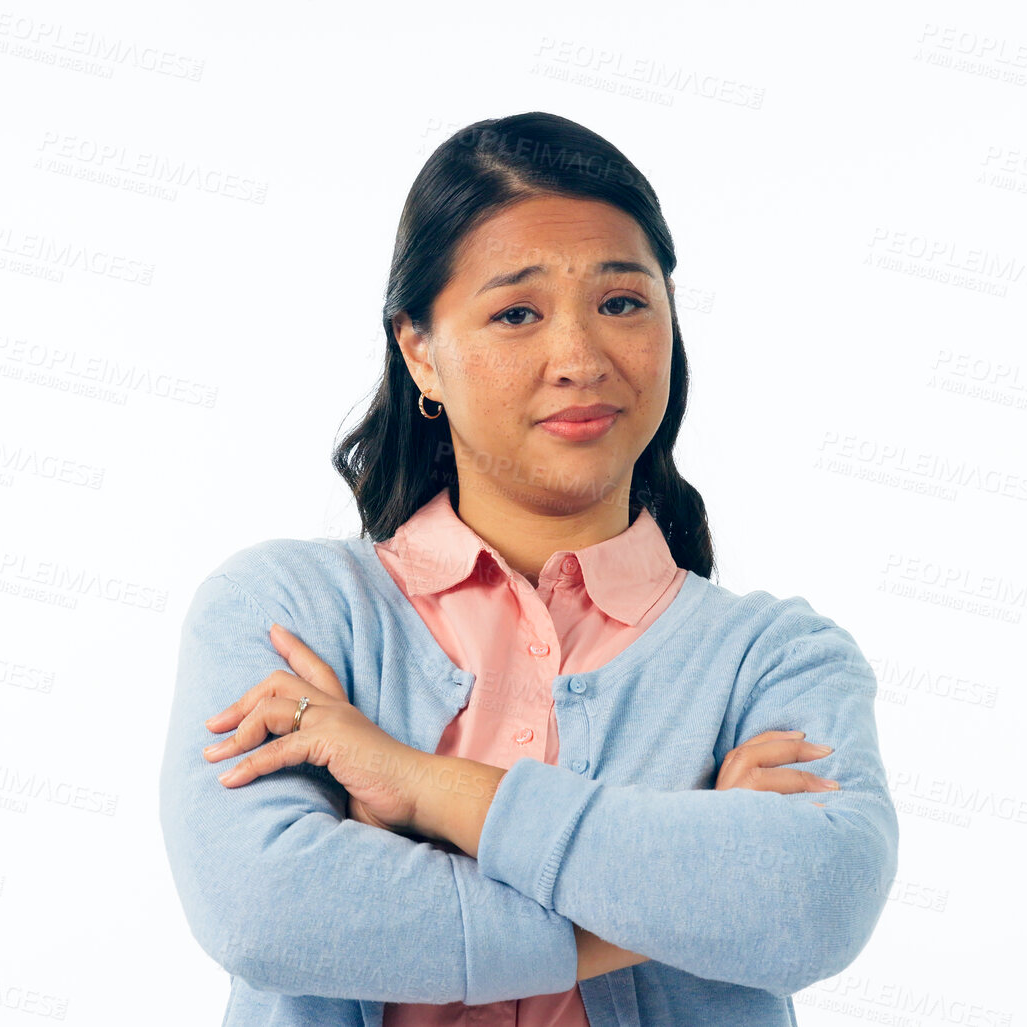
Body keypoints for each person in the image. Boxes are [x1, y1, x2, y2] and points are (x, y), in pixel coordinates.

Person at [158, 111, 898, 1027]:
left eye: (622, 303)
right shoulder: (287, 613)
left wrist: (412, 780)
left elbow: (808, 908)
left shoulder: (777, 657)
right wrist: (666, 904)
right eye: (516, 312)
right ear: (419, 349)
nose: (581, 359)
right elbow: (268, 912)